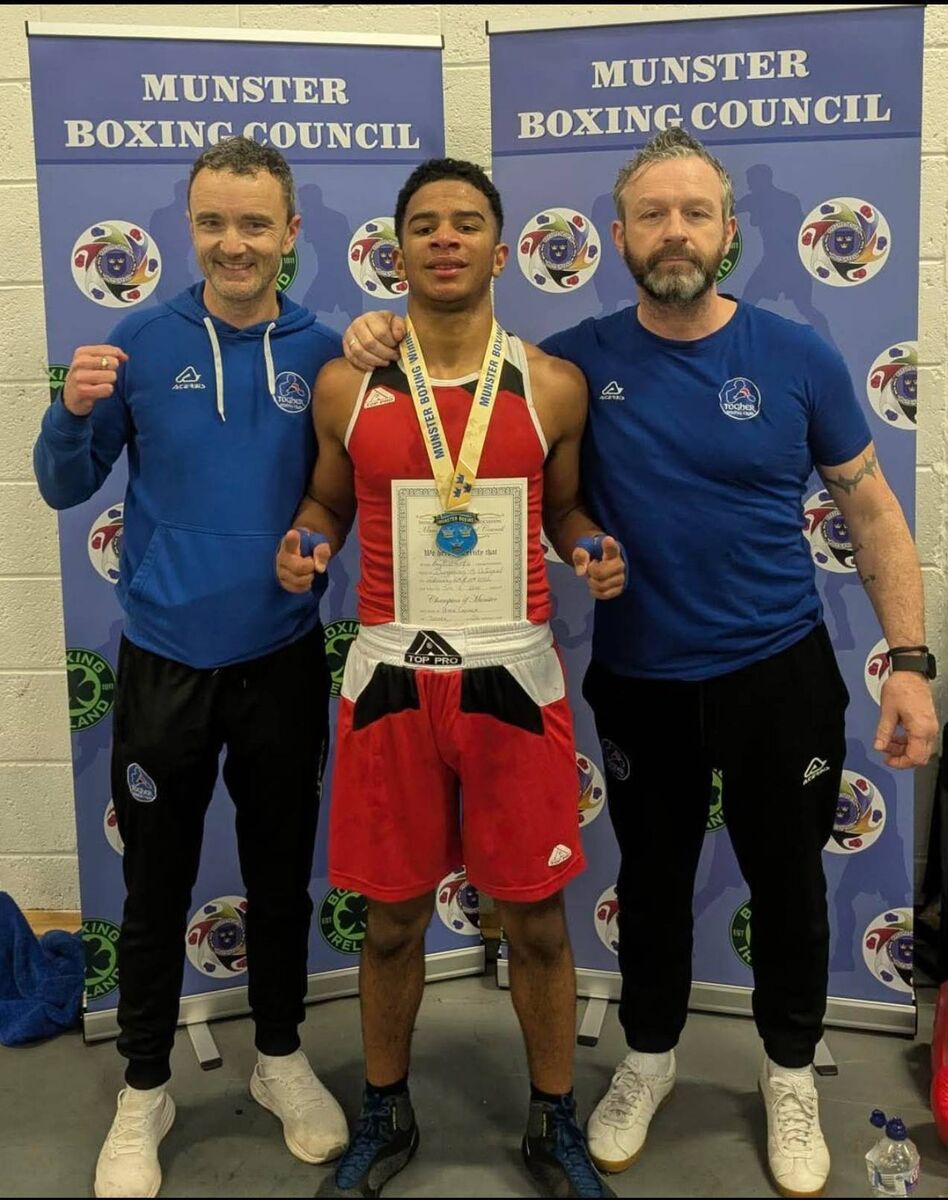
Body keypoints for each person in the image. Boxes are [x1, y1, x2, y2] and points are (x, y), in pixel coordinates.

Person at [339, 127, 940, 1199]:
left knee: (791, 888)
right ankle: (650, 1059)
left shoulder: (796, 356)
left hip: (777, 672)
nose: (674, 232)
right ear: (615, 237)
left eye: (694, 212)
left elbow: (872, 504)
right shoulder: (574, 365)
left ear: (727, 230)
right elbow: (464, 373)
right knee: (652, 887)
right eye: (652, 215)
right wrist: (374, 331)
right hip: (642, 680)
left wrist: (910, 660)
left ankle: (789, 1074)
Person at [276, 157, 624, 1198]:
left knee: (536, 920)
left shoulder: (550, 384)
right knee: (389, 918)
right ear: (397, 247)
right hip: (390, 679)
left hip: (513, 678)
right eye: (424, 224)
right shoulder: (351, 384)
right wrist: (306, 541)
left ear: (500, 248)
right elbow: (327, 504)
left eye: (466, 223)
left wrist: (591, 544)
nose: (444, 239)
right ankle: (387, 1112)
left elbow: (565, 509)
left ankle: (553, 1121)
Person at [33, 137, 349, 1199]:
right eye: (214, 222)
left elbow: (358, 491)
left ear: (291, 233)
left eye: (255, 223)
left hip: (284, 662)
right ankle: (144, 1086)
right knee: (155, 885)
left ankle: (279, 1057)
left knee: (276, 878)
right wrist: (71, 411)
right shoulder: (138, 338)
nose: (234, 243)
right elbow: (61, 487)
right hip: (165, 665)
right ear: (190, 226)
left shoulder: (331, 352)